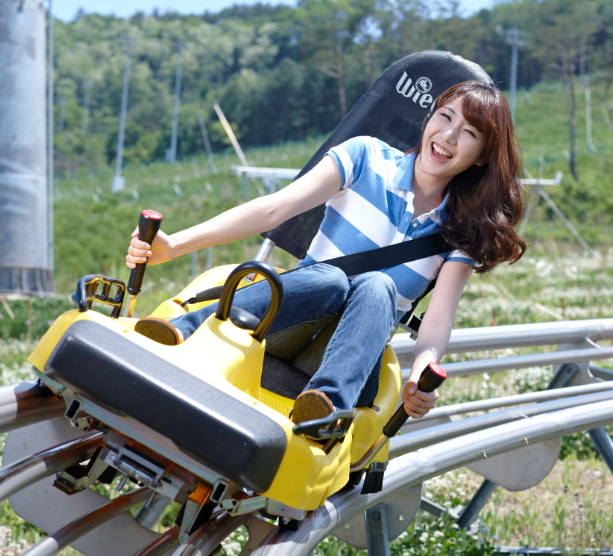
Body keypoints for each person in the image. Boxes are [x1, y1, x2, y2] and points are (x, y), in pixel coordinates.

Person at [126, 80, 526, 426]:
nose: (449, 136)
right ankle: (189, 328)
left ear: (483, 155)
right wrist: (174, 245)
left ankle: (326, 407)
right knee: (332, 278)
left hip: (355, 361)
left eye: (468, 132)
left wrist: (421, 375)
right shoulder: (366, 157)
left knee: (378, 287)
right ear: (429, 118)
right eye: (445, 117)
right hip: (288, 323)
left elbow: (438, 319)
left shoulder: (461, 231)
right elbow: (274, 209)